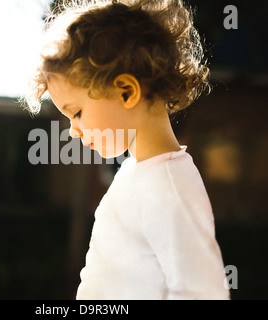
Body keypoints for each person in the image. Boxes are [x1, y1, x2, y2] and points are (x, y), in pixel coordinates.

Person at [25, 0, 230, 300]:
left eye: (77, 112)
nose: (72, 129)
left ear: (127, 91)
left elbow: (203, 293)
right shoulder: (133, 171)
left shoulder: (170, 187)